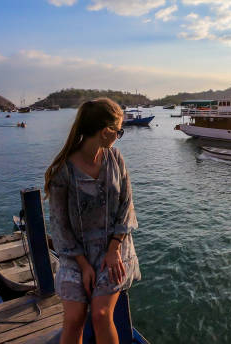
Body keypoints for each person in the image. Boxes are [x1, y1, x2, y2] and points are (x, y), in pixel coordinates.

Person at [44, 98, 140, 344]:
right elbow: (60, 226)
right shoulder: (62, 172)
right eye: (119, 131)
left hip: (114, 251)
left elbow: (126, 206)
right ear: (106, 132)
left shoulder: (116, 160)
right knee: (75, 317)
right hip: (76, 255)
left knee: (100, 313)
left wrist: (114, 249)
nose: (119, 136)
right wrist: (83, 264)